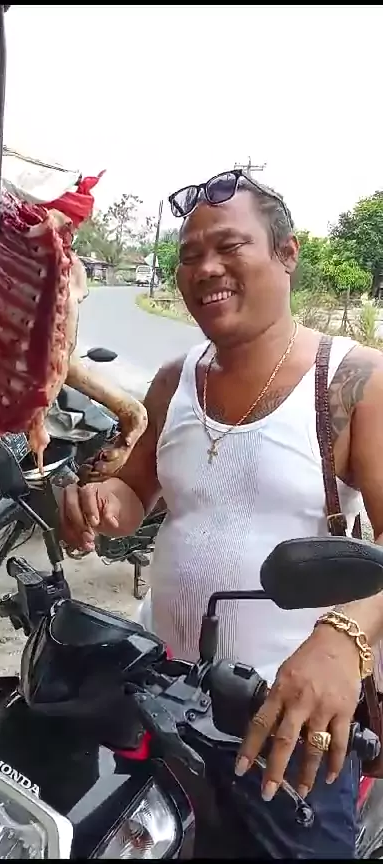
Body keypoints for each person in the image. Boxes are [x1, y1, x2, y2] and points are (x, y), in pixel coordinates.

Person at [59, 169, 383, 858]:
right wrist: (101, 503)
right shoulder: (173, 380)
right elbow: (137, 495)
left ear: (287, 254)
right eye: (189, 256)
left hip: (288, 721)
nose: (205, 268)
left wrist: (343, 639)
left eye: (229, 247)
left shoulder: (353, 381)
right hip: (161, 693)